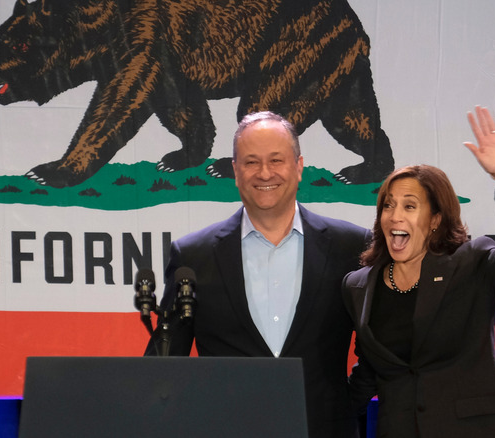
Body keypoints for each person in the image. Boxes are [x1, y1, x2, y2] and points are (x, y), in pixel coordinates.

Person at [145, 111, 371, 438]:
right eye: (251, 162)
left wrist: (345, 404)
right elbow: (165, 363)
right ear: (235, 172)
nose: (264, 173)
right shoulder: (193, 257)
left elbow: (378, 346)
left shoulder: (351, 246)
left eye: (276, 160)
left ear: (299, 166)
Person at [342, 106, 495, 437]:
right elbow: (368, 371)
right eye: (388, 205)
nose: (394, 216)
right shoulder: (358, 286)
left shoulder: (472, 265)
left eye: (410, 206)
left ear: (435, 219)